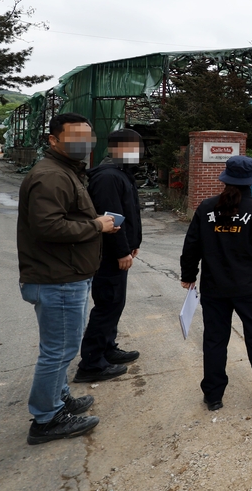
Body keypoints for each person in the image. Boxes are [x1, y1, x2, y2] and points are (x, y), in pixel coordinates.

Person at [17, 113, 119, 445]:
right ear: (53, 140)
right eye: (75, 137)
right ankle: (46, 418)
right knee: (59, 350)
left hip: (64, 273)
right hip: (57, 277)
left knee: (59, 346)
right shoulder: (51, 176)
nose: (83, 144)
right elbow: (47, 227)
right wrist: (96, 226)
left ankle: (59, 398)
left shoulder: (66, 172)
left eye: (87, 137)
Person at [180, 155, 252, 410]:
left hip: (215, 286)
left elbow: (192, 244)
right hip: (249, 287)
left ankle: (213, 395)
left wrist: (188, 275)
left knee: (215, 339)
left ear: (225, 178)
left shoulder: (206, 208)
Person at [75, 129, 144, 383]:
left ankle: (107, 348)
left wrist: (132, 243)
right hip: (107, 255)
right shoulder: (108, 177)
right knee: (108, 304)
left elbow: (129, 213)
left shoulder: (121, 174)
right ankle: (92, 363)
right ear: (115, 149)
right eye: (131, 148)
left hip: (118, 251)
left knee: (115, 302)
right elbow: (111, 218)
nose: (137, 154)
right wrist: (122, 250)